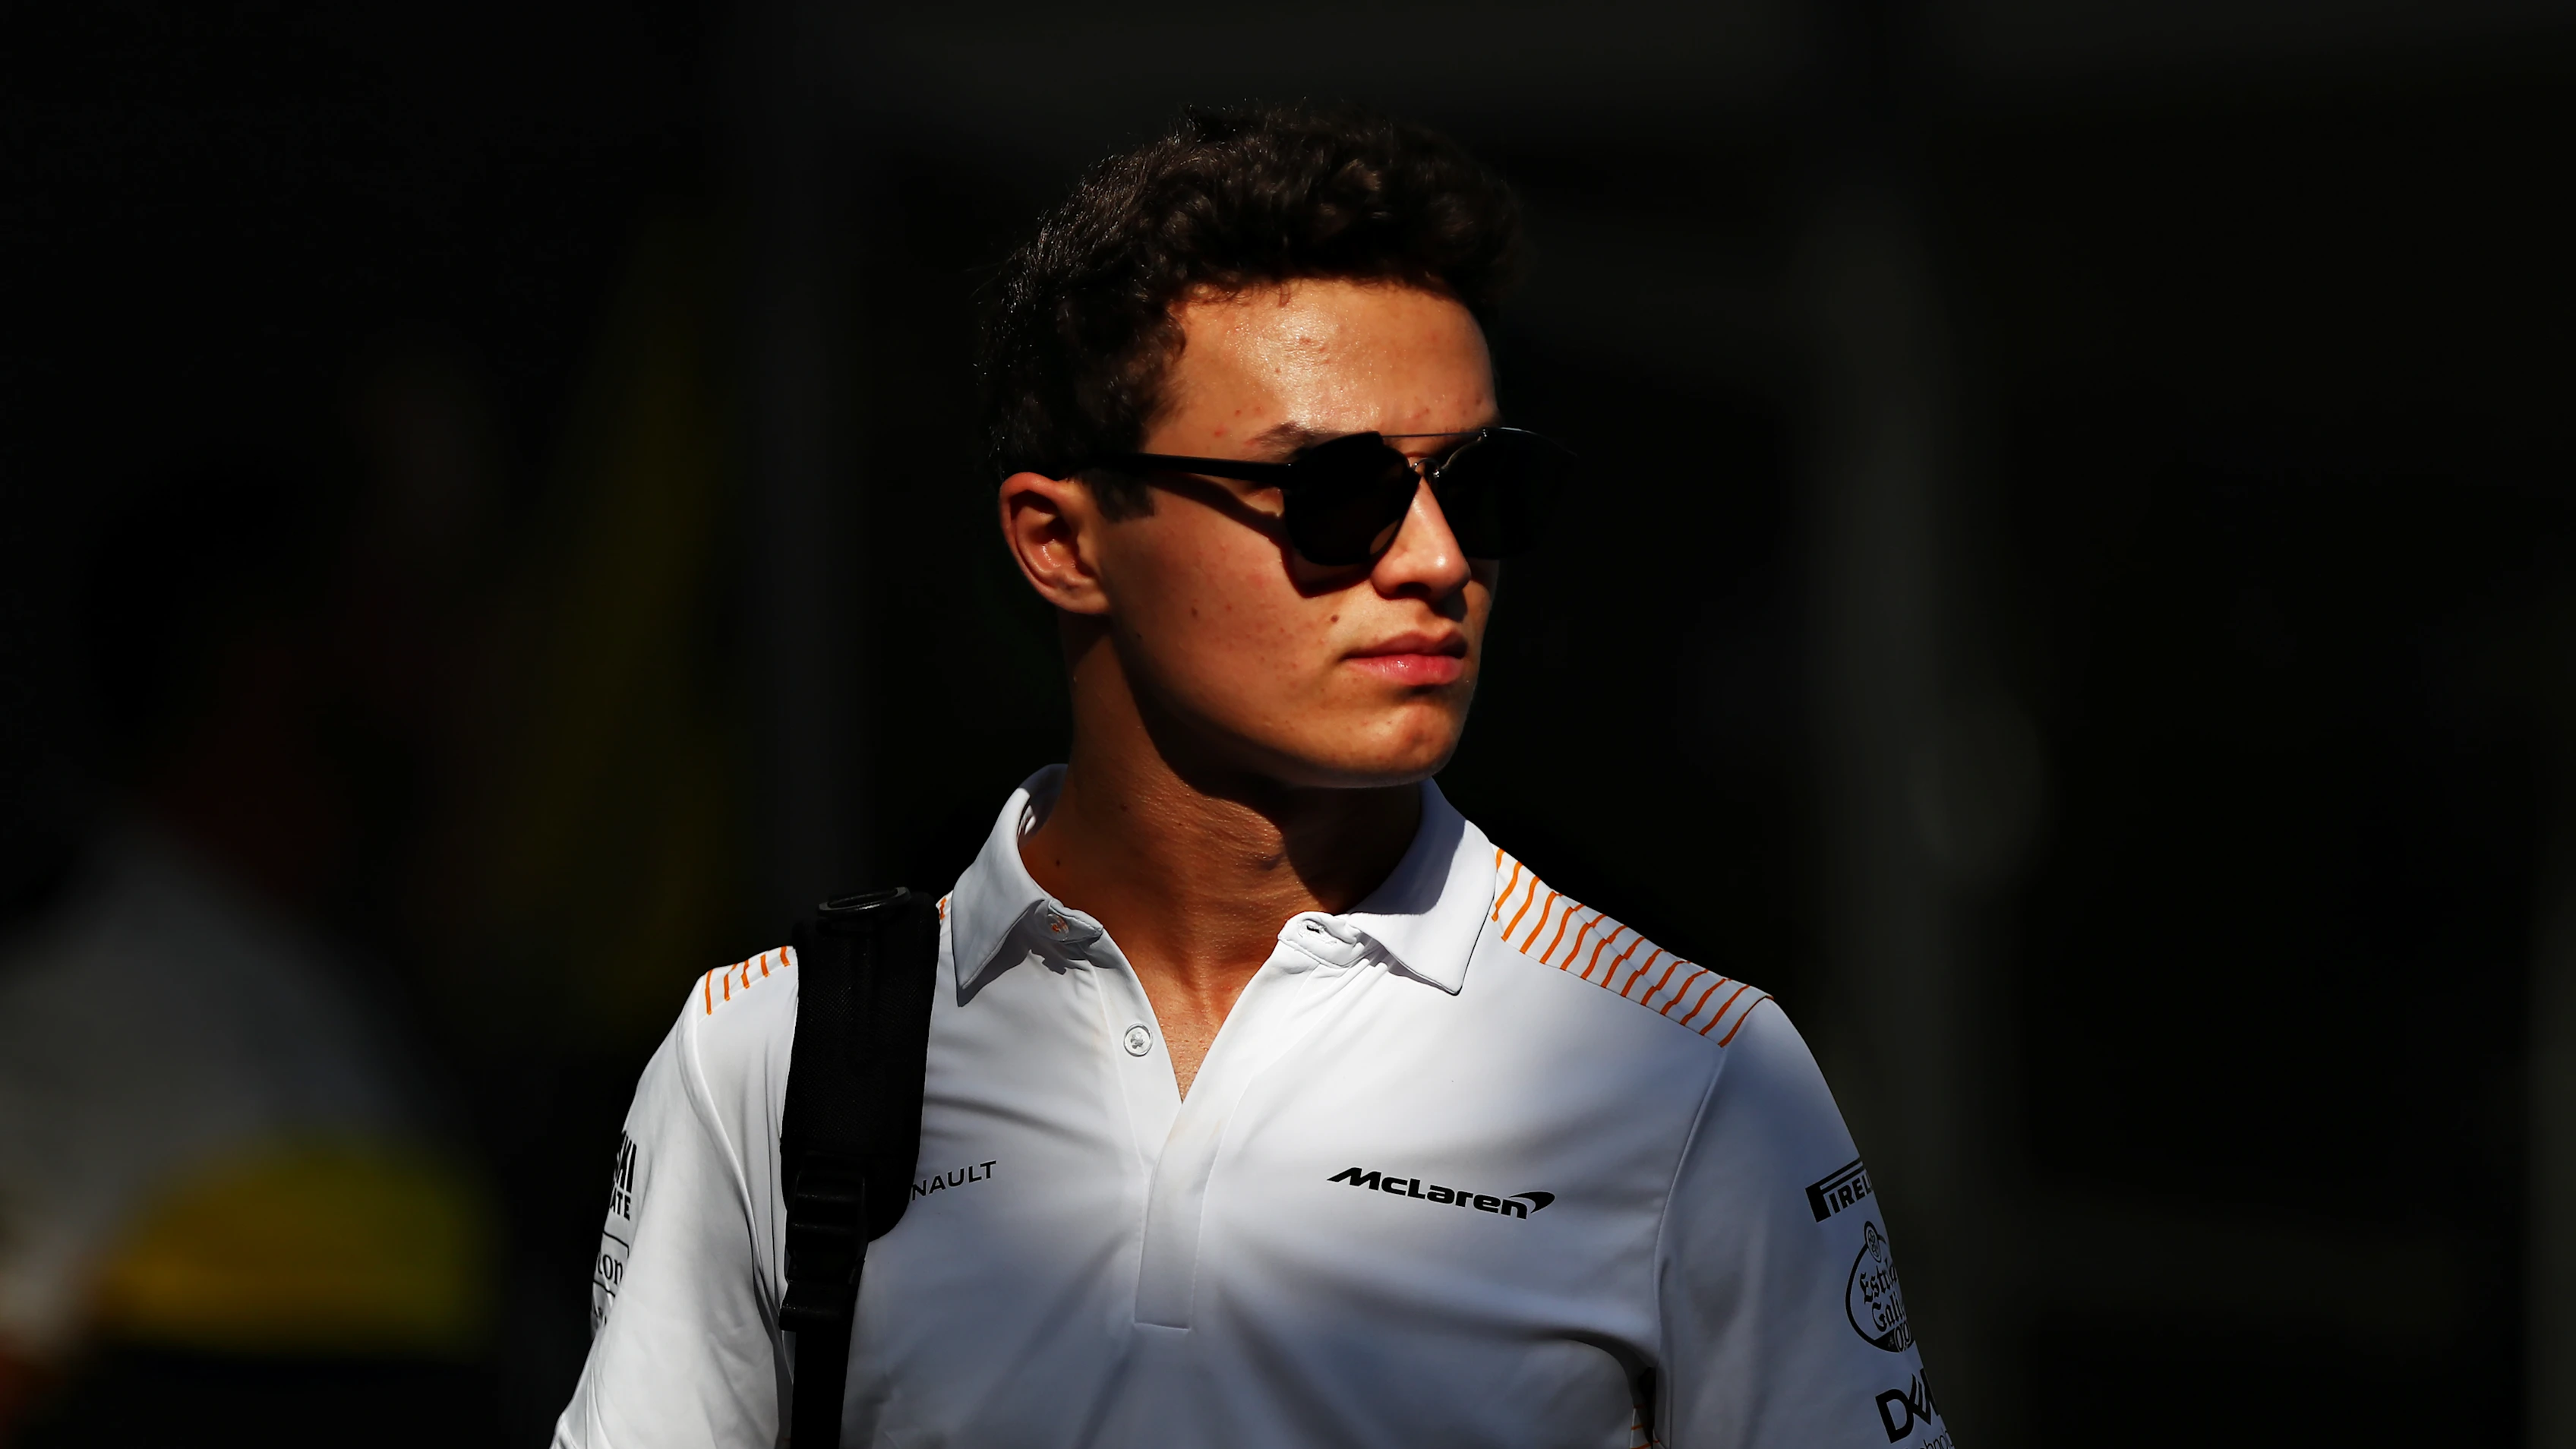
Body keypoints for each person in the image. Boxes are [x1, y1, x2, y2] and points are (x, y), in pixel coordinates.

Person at [555, 103, 1950, 1449]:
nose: (1436, 561)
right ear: (1061, 540)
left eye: (1479, 487)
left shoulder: (1694, 1075)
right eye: (1333, 491)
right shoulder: (769, 1057)